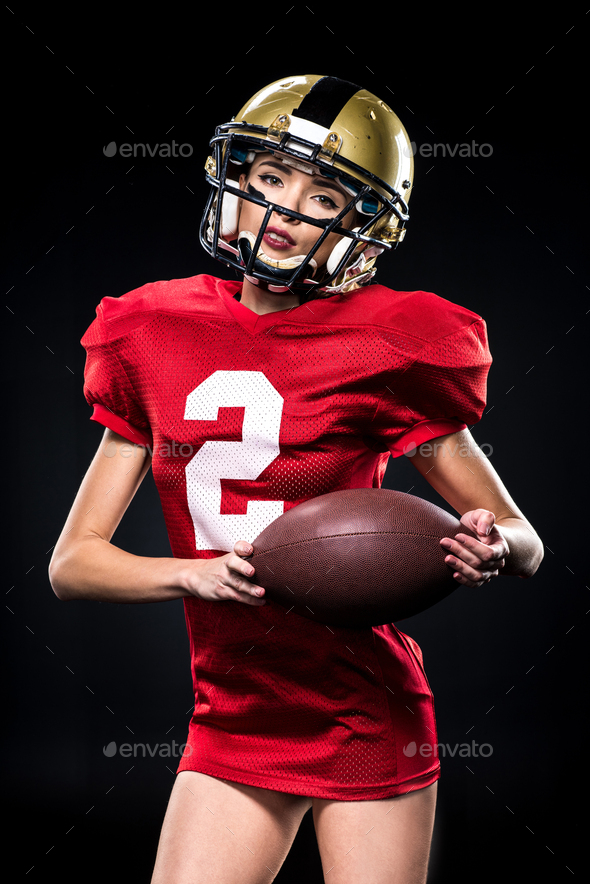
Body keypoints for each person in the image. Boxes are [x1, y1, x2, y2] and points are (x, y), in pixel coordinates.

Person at [49, 75, 544, 884]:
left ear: (362, 223)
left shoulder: (392, 344)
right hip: (233, 717)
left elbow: (527, 542)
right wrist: (195, 575)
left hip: (364, 716)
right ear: (234, 181)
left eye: (323, 196)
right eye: (270, 178)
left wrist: (493, 550)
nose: (283, 211)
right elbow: (71, 566)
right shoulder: (150, 330)